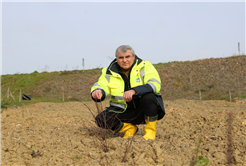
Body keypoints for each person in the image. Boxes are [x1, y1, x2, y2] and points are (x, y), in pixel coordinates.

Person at [91, 45, 165, 140]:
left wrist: (135, 90)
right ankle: (130, 128)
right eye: (121, 57)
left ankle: (150, 132)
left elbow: (155, 84)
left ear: (133, 57)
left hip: (143, 110)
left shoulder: (145, 66)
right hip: (122, 110)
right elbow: (101, 84)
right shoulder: (109, 72)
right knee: (101, 120)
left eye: (127, 57)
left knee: (149, 96)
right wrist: (98, 91)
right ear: (117, 59)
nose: (124, 60)